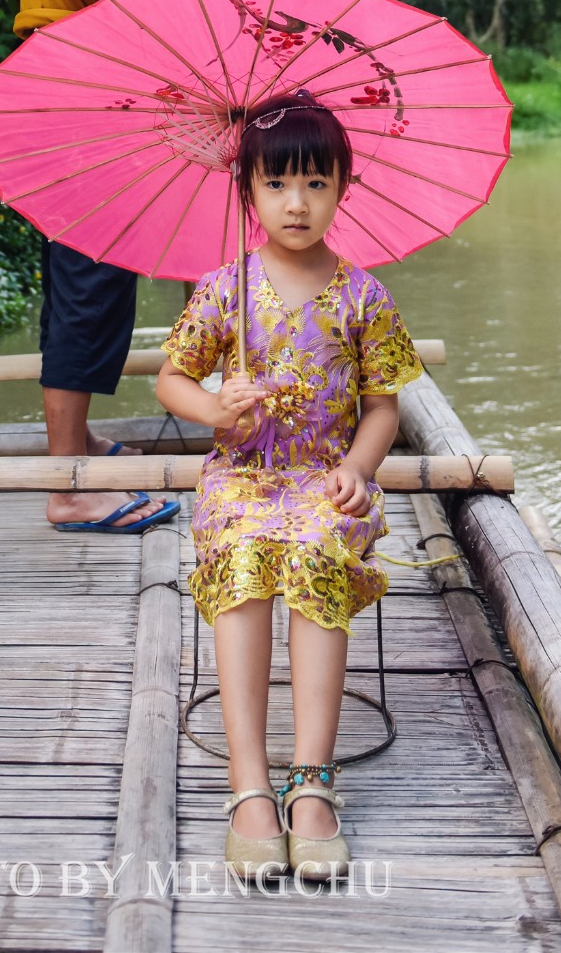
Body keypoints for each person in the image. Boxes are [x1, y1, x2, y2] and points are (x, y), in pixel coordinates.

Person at [154, 92, 424, 879]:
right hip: (242, 475)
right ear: (248, 194)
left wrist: (356, 469)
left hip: (319, 480)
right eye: (275, 185)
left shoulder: (363, 295)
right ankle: (248, 785)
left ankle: (310, 780)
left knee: (313, 550)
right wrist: (215, 407)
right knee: (241, 557)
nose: (296, 202)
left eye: (314, 182)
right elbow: (173, 380)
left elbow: (382, 406)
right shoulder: (224, 288)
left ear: (344, 186)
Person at [16, 0, 209, 532]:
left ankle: (77, 442)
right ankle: (68, 489)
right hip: (76, 120)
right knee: (89, 285)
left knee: (82, 280)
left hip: (74, 114)